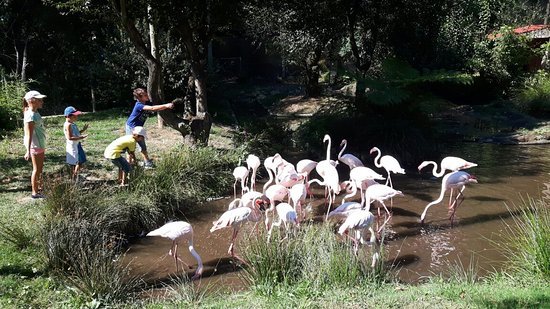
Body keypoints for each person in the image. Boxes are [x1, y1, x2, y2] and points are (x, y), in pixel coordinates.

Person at [126, 88, 174, 168]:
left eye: (146, 94)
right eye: (145, 95)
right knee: (131, 146)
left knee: (142, 145)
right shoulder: (139, 105)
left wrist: (166, 107)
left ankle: (147, 162)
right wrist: (166, 105)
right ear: (139, 98)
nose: (147, 95)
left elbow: (156, 108)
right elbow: (152, 108)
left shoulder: (147, 102)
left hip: (139, 128)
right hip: (131, 127)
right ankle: (131, 163)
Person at [23, 90, 47, 199]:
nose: (42, 101)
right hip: (35, 146)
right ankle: (35, 193)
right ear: (32, 101)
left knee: (40, 169)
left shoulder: (35, 112)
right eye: (39, 100)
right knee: (36, 169)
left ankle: (40, 189)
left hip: (40, 145)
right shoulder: (30, 116)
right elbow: (29, 135)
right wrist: (28, 150)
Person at [63, 106, 88, 181]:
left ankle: (75, 176)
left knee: (80, 161)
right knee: (76, 162)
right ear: (69, 116)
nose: (77, 117)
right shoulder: (68, 125)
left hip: (77, 144)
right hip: (73, 146)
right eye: (75, 115)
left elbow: (75, 134)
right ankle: (74, 177)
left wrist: (82, 131)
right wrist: (81, 137)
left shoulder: (72, 124)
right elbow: (70, 137)